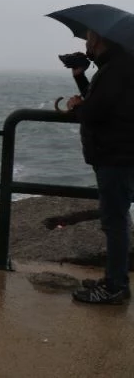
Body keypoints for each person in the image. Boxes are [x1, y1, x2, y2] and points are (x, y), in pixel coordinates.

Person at [66, 29, 134, 304]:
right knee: (115, 218)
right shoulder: (118, 67)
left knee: (115, 221)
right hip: (117, 155)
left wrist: (76, 107)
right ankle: (113, 278)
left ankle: (115, 286)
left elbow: (95, 113)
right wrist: (81, 78)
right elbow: (103, 103)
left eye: (89, 38)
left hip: (116, 157)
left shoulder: (117, 70)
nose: (86, 43)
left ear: (100, 40)